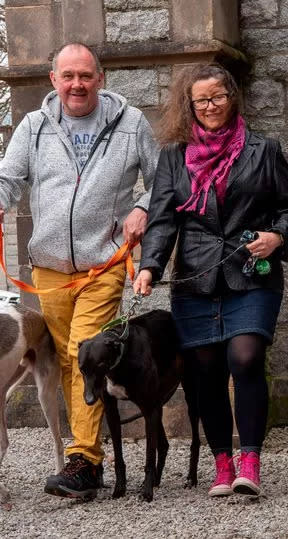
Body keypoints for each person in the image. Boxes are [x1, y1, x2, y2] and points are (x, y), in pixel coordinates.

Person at [133, 63, 288, 497]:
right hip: (196, 277)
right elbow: (162, 218)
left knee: (245, 357)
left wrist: (276, 236)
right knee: (204, 370)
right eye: (201, 100)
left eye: (218, 97)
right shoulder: (174, 155)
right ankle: (222, 466)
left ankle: (250, 461)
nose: (210, 107)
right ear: (189, 105)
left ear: (232, 97)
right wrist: (150, 265)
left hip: (252, 273)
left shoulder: (264, 150)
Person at [0, 42, 158, 499]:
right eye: (67, 76)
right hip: (48, 268)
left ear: (100, 78)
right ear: (54, 80)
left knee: (80, 350)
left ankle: (83, 460)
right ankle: (87, 463)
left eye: (85, 75)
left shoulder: (130, 123)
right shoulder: (34, 125)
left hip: (102, 263)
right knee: (71, 361)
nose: (76, 84)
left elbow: (162, 180)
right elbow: (10, 178)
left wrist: (143, 207)